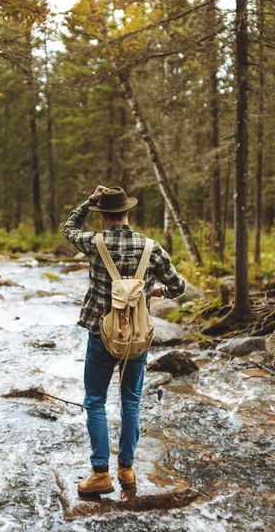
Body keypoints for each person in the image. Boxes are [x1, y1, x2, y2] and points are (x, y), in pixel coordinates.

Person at [62, 186, 185, 495]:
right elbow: (179, 286)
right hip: (138, 338)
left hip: (102, 334)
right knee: (131, 401)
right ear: (128, 211)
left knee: (95, 401)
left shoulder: (95, 242)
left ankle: (100, 473)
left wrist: (87, 202)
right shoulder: (151, 247)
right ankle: (127, 472)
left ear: (103, 216)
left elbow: (68, 229)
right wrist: (156, 292)